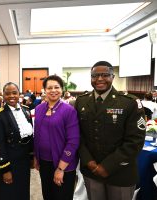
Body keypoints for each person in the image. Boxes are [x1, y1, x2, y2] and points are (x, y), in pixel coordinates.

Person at [75, 61, 146, 200]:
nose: (99, 79)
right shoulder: (81, 101)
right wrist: (88, 161)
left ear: (113, 77)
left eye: (105, 75)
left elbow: (135, 141)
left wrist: (107, 166)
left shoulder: (129, 102)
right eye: (95, 75)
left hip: (121, 171)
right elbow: (77, 135)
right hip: (91, 170)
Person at [34, 75, 80, 200]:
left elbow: (73, 141)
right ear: (44, 90)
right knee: (48, 195)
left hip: (63, 164)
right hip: (44, 163)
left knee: (61, 196)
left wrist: (60, 168)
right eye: (49, 88)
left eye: (56, 87)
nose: (53, 90)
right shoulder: (38, 109)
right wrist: (36, 157)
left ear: (62, 89)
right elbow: (37, 134)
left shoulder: (69, 110)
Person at [0, 82, 33, 200]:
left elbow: (30, 137)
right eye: (7, 93)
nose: (11, 96)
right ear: (3, 95)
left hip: (24, 161)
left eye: (14, 93)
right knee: (8, 193)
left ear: (19, 94)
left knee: (22, 191)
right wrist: (5, 169)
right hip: (9, 161)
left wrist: (31, 157)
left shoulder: (26, 111)